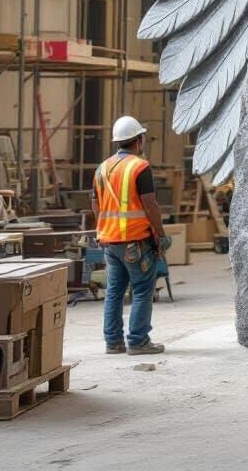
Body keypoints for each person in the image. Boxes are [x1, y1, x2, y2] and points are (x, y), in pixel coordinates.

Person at [91, 115, 168, 355]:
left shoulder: (102, 168)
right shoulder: (139, 167)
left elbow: (95, 204)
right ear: (138, 140)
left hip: (110, 241)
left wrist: (105, 227)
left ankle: (113, 342)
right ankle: (138, 341)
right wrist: (160, 233)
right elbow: (150, 204)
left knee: (114, 292)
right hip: (136, 241)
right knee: (143, 290)